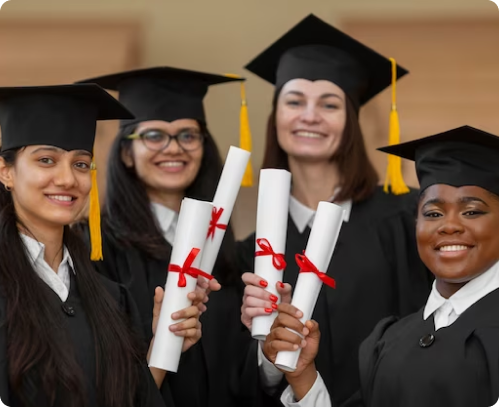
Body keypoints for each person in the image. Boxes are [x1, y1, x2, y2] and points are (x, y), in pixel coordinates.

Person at [238, 14, 432, 406]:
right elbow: (235, 382)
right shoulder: (247, 252)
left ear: (351, 121)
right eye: (294, 102)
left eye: (329, 104)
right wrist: (270, 356)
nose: (309, 115)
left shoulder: (407, 219)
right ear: (276, 115)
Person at [265, 125, 499, 407]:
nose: (449, 226)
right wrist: (304, 376)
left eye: (472, 211)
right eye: (433, 213)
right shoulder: (389, 340)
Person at [0, 83, 198, 406]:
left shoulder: (109, 297)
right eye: (47, 160)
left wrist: (164, 342)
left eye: (80, 164)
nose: (67, 179)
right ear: (5, 171)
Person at [75, 67, 258, 407]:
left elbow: (240, 365)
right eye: (154, 136)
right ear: (127, 153)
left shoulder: (228, 253)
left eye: (188, 135)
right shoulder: (96, 250)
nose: (174, 148)